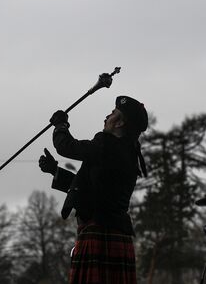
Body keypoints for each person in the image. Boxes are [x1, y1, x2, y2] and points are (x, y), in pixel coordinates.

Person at [39, 96, 148, 284]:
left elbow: (66, 147)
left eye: (113, 113)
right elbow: (89, 189)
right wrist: (55, 171)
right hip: (115, 237)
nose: (107, 116)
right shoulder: (128, 153)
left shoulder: (106, 144)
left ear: (120, 122)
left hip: (99, 235)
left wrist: (60, 126)